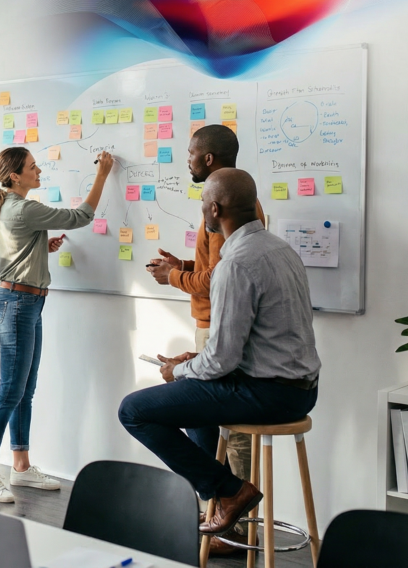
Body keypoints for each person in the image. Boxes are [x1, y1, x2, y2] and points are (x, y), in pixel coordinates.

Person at [118, 168, 321, 539]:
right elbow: (242, 346)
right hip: (302, 390)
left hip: (269, 394)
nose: (201, 212)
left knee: (133, 410)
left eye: (201, 206)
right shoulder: (281, 248)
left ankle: (229, 492)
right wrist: (191, 363)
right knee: (196, 396)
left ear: (214, 209)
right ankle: (219, 494)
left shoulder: (236, 264)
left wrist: (178, 372)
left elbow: (222, 360)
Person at [144, 124, 264, 553]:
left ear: (209, 159)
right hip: (209, 326)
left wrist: (174, 276)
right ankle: (219, 511)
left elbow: (219, 279)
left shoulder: (226, 208)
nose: (187, 159)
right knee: (209, 430)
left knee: (231, 438)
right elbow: (214, 269)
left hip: (220, 327)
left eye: (192, 152)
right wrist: (180, 265)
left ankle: (234, 526)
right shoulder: (226, 207)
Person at [0, 146, 115, 503]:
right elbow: (81, 216)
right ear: (14, 176)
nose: (39, 172)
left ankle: (20, 467)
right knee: (11, 389)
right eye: (33, 168)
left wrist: (36, 249)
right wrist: (102, 175)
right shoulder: (23, 208)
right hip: (19, 306)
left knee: (23, 389)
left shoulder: (4, 207)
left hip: (22, 303)